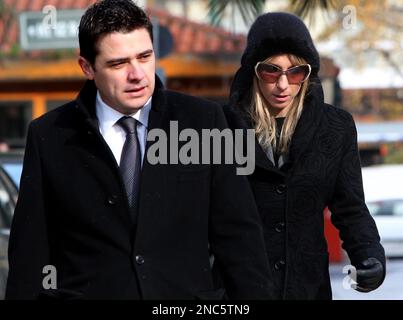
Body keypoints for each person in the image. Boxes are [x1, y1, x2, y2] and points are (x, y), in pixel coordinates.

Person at [6, 0, 273, 300]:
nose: (137, 74)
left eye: (145, 57)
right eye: (118, 63)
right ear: (87, 68)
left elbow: (240, 241)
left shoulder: (204, 122)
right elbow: (29, 257)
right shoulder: (49, 136)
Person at [223, 12, 386, 299]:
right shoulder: (220, 125)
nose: (283, 84)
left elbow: (350, 207)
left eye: (296, 72)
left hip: (308, 289)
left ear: (308, 73)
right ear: (253, 70)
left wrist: (368, 253)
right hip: (237, 290)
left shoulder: (335, 127)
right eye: (271, 71)